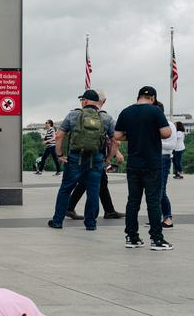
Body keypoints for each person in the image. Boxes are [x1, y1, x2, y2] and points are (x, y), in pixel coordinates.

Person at [113, 86, 173, 250]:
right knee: (153, 201)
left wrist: (133, 134)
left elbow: (117, 135)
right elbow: (167, 133)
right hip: (152, 163)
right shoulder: (155, 111)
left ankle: (131, 237)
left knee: (133, 201)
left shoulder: (126, 112)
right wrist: (152, 132)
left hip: (134, 163)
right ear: (152, 98)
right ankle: (156, 239)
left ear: (138, 97)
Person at [48, 90, 114, 231]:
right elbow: (116, 141)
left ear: (84, 101)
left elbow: (59, 135)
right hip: (96, 159)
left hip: (75, 158)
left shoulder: (73, 114)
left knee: (66, 189)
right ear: (97, 102)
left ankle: (57, 221)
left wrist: (59, 155)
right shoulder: (106, 118)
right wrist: (107, 159)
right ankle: (90, 224)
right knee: (93, 191)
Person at [64, 91, 123, 222]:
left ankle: (108, 210)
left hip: (81, 154)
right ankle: (96, 215)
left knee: (96, 182)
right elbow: (113, 139)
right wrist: (112, 155)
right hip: (97, 155)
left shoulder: (80, 115)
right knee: (90, 182)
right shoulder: (103, 117)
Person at [156, 102, 175, 229]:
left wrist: (155, 142)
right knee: (153, 190)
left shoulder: (170, 125)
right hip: (151, 158)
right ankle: (156, 217)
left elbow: (171, 146)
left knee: (161, 190)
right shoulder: (151, 125)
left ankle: (167, 217)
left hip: (163, 158)